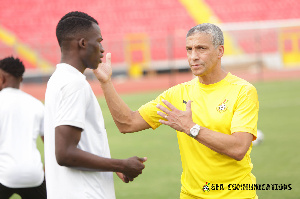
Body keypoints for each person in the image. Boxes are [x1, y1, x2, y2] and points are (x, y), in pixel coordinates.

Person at [94, 23, 259, 199]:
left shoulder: (243, 91)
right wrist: (106, 83)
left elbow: (239, 148)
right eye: (189, 49)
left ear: (220, 51)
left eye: (201, 48)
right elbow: (128, 123)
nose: (193, 56)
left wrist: (191, 128)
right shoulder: (177, 93)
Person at [44, 11, 147, 199]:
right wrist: (121, 164)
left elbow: (79, 145)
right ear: (83, 43)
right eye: (98, 41)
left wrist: (110, 166)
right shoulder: (75, 84)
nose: (101, 48)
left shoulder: (58, 79)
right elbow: (65, 153)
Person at [0, 56, 46, 199]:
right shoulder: (37, 104)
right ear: (21, 79)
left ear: (2, 78)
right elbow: (50, 145)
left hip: (4, 174)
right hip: (34, 175)